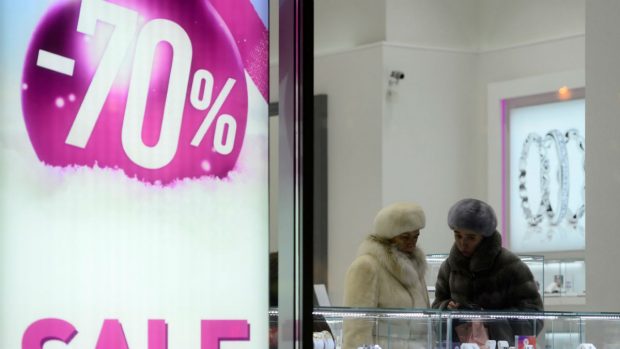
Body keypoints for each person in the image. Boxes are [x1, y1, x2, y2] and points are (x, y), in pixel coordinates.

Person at [432, 198, 543, 346]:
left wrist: (491, 322)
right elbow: (435, 311)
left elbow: (534, 318)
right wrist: (447, 309)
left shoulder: (511, 267)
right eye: (458, 235)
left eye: (471, 237)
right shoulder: (449, 268)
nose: (462, 243)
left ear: (485, 237)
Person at [343, 202, 430, 349]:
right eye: (404, 237)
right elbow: (357, 328)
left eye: (415, 237)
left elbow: (427, 320)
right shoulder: (367, 267)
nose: (412, 243)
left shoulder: (414, 267)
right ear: (389, 236)